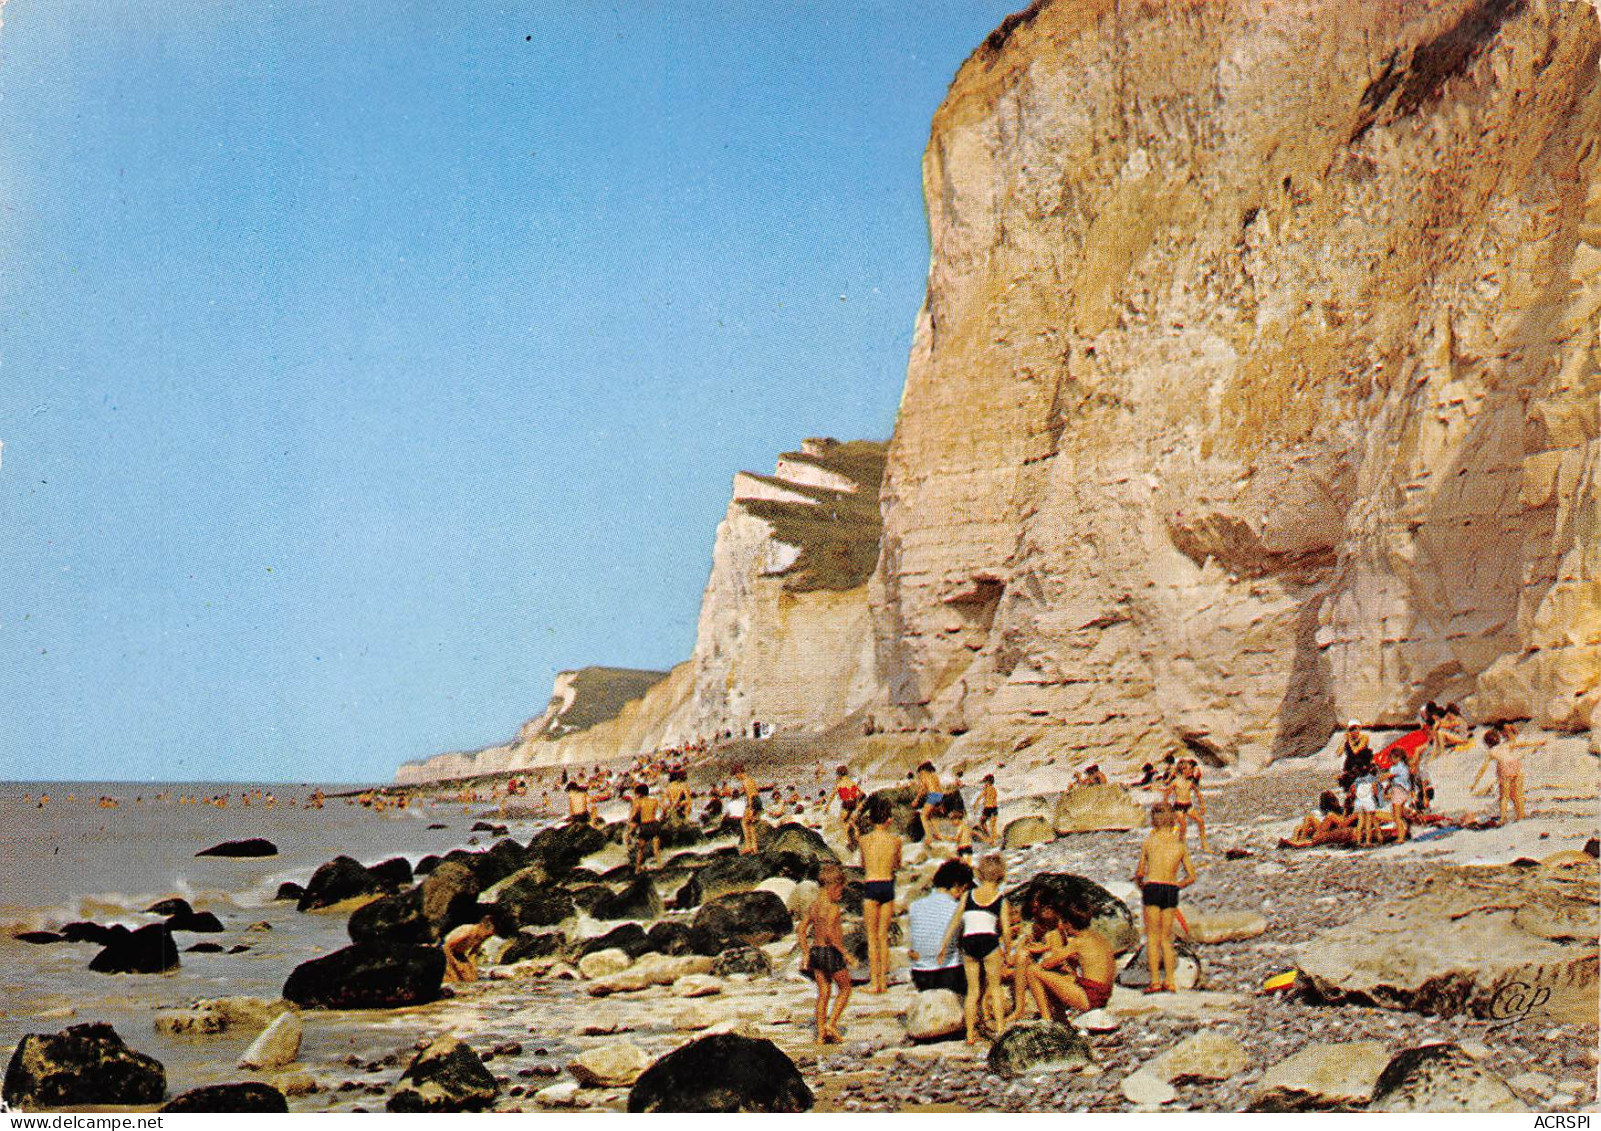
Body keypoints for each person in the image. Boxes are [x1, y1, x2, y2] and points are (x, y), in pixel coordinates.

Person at [941, 853, 1013, 1044]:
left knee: (973, 991)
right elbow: (1006, 930)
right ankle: (1000, 1029)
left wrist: (944, 944)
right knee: (995, 988)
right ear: (1002, 876)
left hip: (969, 941)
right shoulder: (1001, 900)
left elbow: (956, 921)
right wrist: (1008, 951)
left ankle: (970, 1034)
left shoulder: (968, 896)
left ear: (979, 875)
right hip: (989, 940)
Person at [1134, 803, 1196, 994]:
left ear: (1153, 822)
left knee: (1152, 938)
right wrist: (1178, 885)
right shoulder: (1180, 845)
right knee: (1166, 939)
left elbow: (1140, 872)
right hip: (1170, 888)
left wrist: (1141, 885)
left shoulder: (1148, 842)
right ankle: (1169, 981)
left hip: (1152, 887)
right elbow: (1191, 876)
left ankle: (1154, 982)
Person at [1020, 896, 1116, 1018]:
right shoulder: (1098, 937)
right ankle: (1060, 1019)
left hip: (1090, 998)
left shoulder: (1078, 942)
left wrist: (1042, 949)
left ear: (1068, 923)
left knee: (1032, 971)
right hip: (1103, 994)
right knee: (1059, 977)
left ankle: (1047, 1020)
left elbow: (1047, 964)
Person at [798, 864, 852, 1045]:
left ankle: (820, 1034)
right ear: (833, 887)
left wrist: (806, 953)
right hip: (830, 952)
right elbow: (830, 934)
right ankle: (831, 1023)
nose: (841, 894)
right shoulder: (833, 907)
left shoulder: (813, 906)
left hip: (816, 952)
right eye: (840, 890)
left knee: (824, 992)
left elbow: (801, 931)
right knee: (845, 988)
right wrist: (845, 953)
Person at [857, 795, 903, 994]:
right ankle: (883, 982)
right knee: (883, 937)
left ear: (871, 820)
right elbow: (897, 865)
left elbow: (863, 865)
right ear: (889, 820)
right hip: (888, 885)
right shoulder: (896, 840)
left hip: (872, 885)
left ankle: (874, 983)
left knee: (872, 937)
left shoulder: (864, 840)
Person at [906, 859, 972, 994]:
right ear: (957, 886)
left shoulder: (915, 905)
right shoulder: (957, 908)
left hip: (920, 975)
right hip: (949, 974)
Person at [1471, 722, 1528, 824]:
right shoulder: (1505, 745)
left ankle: (1502, 818)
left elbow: (1482, 769)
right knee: (1517, 793)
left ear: (1487, 743)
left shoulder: (1491, 752)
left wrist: (1475, 783)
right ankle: (1520, 815)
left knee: (1504, 796)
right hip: (1515, 764)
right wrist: (1539, 743)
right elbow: (1520, 744)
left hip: (1505, 768)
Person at [442, 916, 498, 983]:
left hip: (459, 954)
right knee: (455, 976)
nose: (487, 938)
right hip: (446, 953)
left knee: (470, 977)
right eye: (487, 935)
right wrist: (455, 965)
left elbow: (473, 953)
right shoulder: (468, 931)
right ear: (482, 928)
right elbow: (447, 947)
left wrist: (473, 969)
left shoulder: (480, 937)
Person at [628, 783, 662, 870]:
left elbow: (632, 816)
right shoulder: (654, 801)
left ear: (639, 793)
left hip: (644, 826)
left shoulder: (638, 802)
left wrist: (631, 826)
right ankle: (659, 866)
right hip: (654, 824)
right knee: (656, 848)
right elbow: (664, 809)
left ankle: (637, 868)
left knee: (641, 849)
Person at [914, 762, 945, 842]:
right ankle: (938, 835)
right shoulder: (935, 776)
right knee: (931, 816)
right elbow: (941, 789)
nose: (920, 774)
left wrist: (916, 800)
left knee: (923, 816)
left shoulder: (925, 776)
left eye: (920, 772)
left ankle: (929, 838)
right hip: (939, 796)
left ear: (923, 770)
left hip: (932, 796)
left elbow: (922, 790)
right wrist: (941, 803)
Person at [978, 774, 1000, 843]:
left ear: (987, 782)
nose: (984, 783)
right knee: (993, 825)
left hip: (988, 808)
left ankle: (988, 837)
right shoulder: (994, 789)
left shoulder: (987, 789)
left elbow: (980, 797)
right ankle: (994, 839)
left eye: (985, 782)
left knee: (982, 822)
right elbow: (994, 798)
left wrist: (975, 804)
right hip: (995, 808)